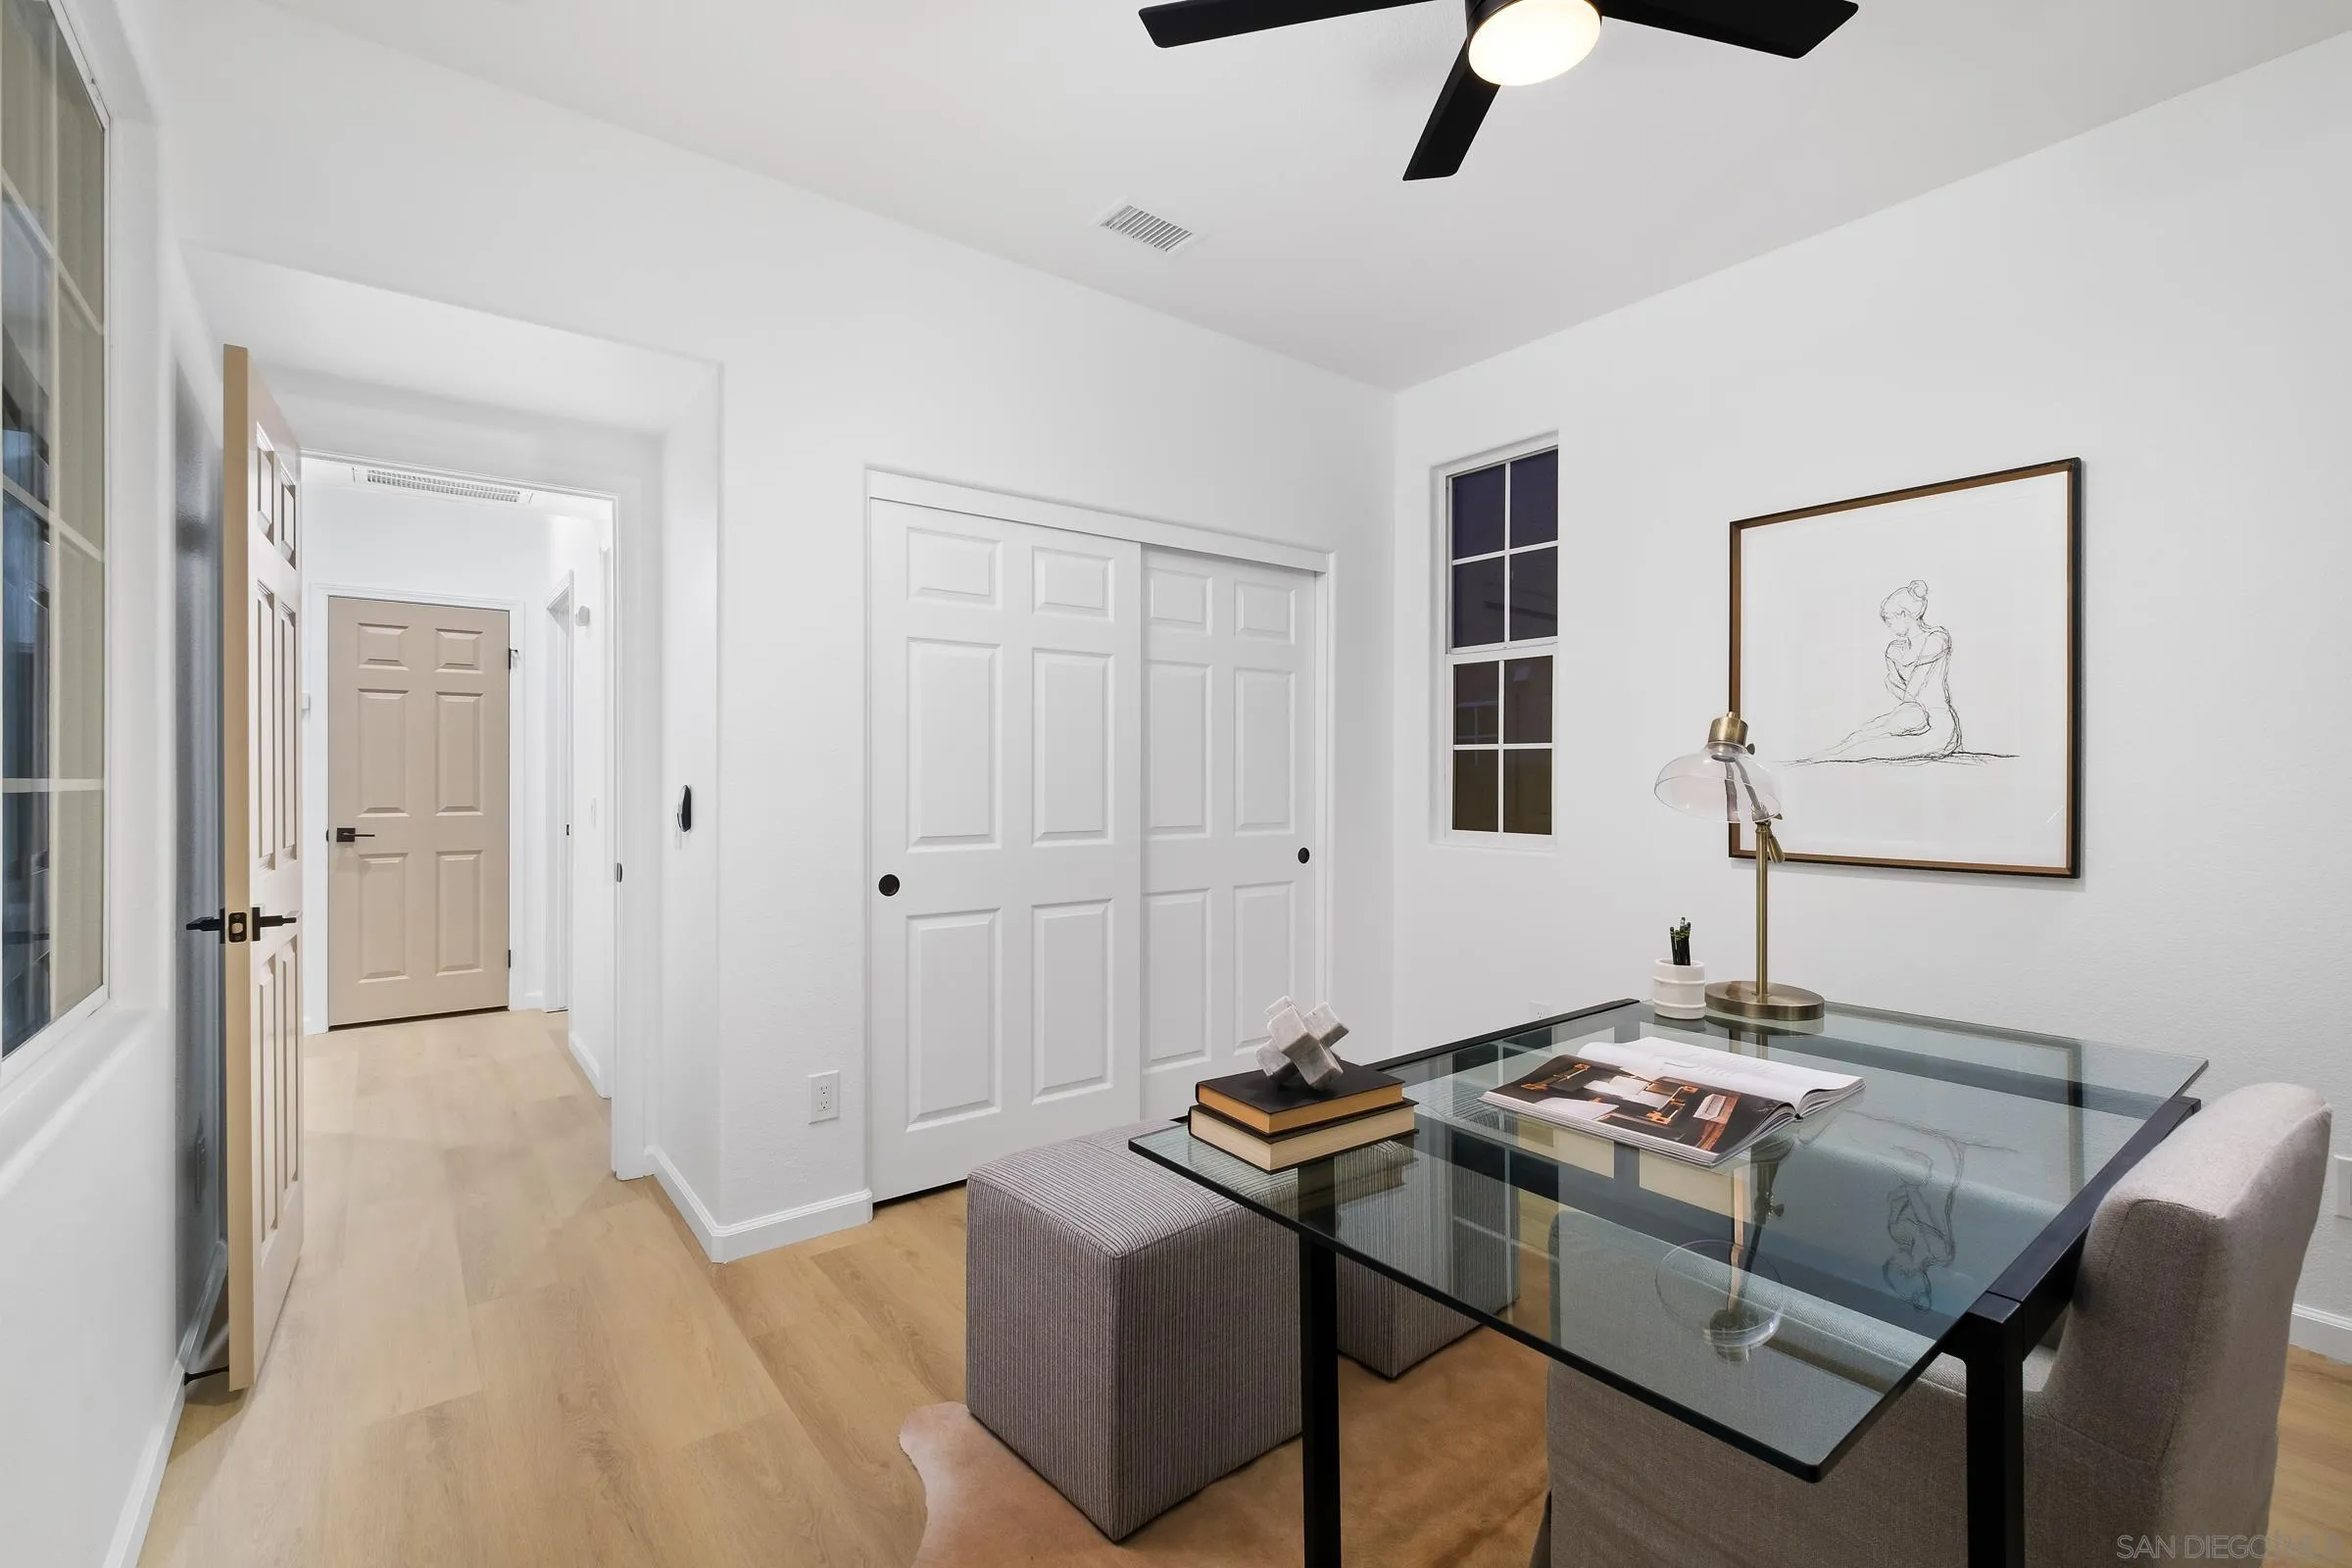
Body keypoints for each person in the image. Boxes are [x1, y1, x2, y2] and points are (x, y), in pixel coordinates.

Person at [1804, 579, 1963, 763]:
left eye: (1889, 619)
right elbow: (1906, 696)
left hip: (1936, 723)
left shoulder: (1936, 638)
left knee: (1871, 746)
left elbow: (1910, 692)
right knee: (1867, 732)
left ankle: (1827, 758)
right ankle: (1821, 757)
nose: (1888, 626)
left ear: (1904, 615)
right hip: (1911, 714)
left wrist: (1897, 687)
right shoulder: (1895, 650)